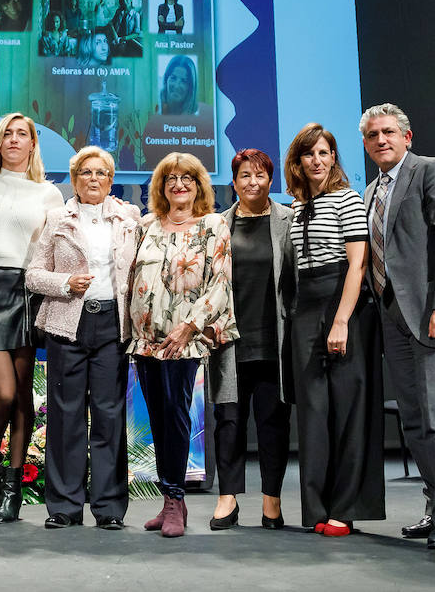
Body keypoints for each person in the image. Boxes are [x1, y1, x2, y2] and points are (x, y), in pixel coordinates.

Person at [359, 103, 435, 549]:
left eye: (389, 132)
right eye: (373, 135)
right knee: (412, 420)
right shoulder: (371, 191)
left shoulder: (431, 171)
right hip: (393, 316)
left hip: (433, 316)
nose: (381, 140)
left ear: (407, 137)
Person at [25, 146, 141, 530]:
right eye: (86, 172)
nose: (94, 179)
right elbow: (33, 275)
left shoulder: (129, 217)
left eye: (102, 173)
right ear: (74, 179)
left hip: (112, 323)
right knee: (65, 416)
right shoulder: (57, 218)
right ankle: (64, 506)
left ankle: (108, 508)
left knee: (109, 416)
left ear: (111, 180)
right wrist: (65, 282)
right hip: (67, 324)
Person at [284, 125, 385, 535]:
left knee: (348, 409)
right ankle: (317, 509)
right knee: (313, 412)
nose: (317, 160)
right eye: (309, 154)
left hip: (343, 305)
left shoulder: (347, 199)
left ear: (334, 157)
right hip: (304, 309)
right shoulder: (295, 206)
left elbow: (358, 265)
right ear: (298, 161)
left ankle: (345, 508)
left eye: (324, 152)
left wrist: (341, 319)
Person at [129, 152, 237, 538]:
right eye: (170, 178)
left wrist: (189, 327)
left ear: (198, 185)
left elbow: (220, 285)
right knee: (157, 419)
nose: (179, 184)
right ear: (160, 187)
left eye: (187, 178)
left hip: (183, 340)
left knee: (175, 416)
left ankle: (176, 500)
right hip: (146, 341)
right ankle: (169, 498)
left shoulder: (213, 225)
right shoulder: (146, 226)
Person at [0, 112, 63, 523]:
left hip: (26, 290)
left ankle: (12, 488)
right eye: (8, 133)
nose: (14, 140)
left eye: (22, 134)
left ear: (33, 144)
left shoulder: (47, 193)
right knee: (2, 393)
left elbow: (55, 249)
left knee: (22, 395)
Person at [206, 149, 293, 531]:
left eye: (259, 175)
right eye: (244, 176)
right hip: (230, 342)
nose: (252, 182)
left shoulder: (288, 220)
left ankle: (271, 500)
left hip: (275, 339)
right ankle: (228, 497)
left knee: (274, 421)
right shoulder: (218, 225)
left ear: (270, 180)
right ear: (234, 181)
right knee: (228, 420)